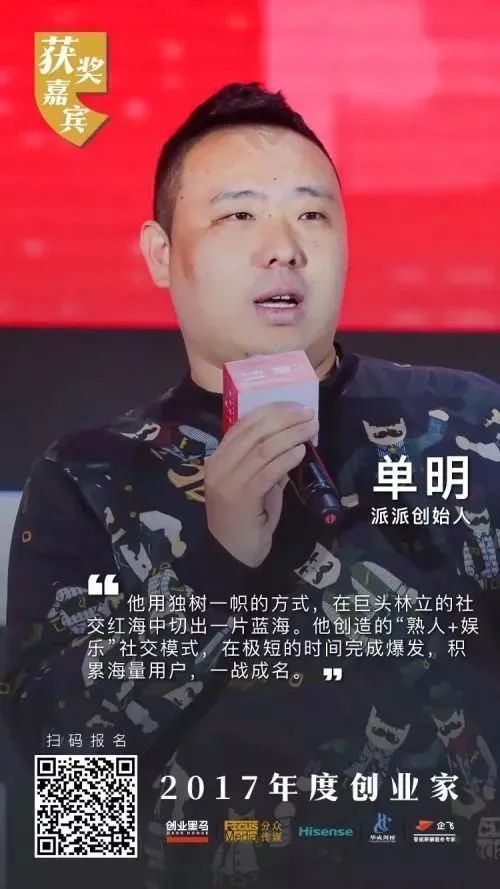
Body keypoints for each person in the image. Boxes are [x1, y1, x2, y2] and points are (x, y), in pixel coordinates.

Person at [3, 81, 500, 889]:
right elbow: (61, 802)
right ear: (161, 253)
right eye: (238, 215)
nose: (284, 248)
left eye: (312, 215)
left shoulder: (469, 424)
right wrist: (212, 564)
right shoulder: (92, 477)